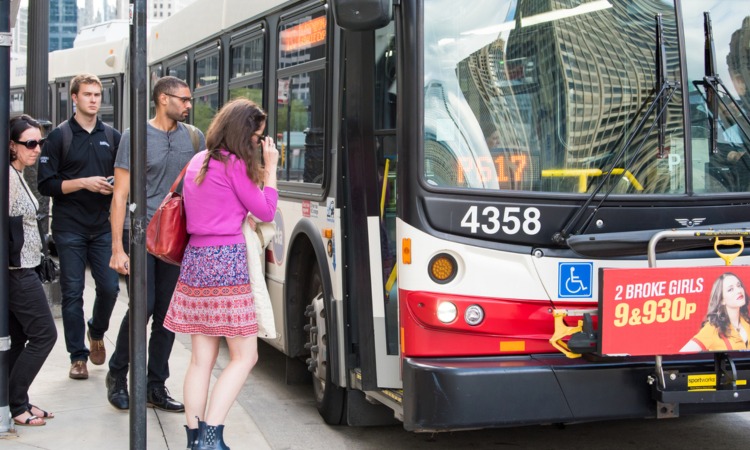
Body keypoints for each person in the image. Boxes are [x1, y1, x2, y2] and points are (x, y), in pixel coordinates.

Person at [163, 98, 278, 450]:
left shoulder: (199, 160)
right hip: (227, 261)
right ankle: (212, 437)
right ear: (244, 134)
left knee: (201, 359)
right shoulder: (235, 166)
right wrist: (270, 168)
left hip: (196, 261)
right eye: (257, 138)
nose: (260, 144)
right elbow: (267, 210)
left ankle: (194, 439)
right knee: (246, 356)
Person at [106, 76, 205, 413]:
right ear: (164, 99)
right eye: (184, 99)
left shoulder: (194, 137)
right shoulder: (135, 137)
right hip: (142, 237)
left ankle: (154, 385)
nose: (189, 105)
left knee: (167, 315)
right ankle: (118, 375)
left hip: (178, 240)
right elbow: (119, 195)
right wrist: (117, 249)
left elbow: (201, 189)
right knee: (143, 307)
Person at [38, 73, 121, 380]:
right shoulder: (59, 137)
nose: (93, 100)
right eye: (87, 94)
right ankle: (78, 356)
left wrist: (113, 187)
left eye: (97, 95)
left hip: (102, 225)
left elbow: (124, 180)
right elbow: (46, 184)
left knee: (110, 288)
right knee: (72, 293)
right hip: (69, 226)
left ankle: (96, 331)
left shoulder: (112, 136)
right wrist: (84, 183)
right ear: (74, 98)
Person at [8, 115, 58, 426]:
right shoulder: (8, 178)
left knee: (18, 338)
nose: (36, 148)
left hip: (23, 268)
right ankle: (15, 402)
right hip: (17, 271)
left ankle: (16, 400)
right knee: (44, 334)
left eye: (39, 142)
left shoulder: (18, 173)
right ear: (11, 145)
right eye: (29, 143)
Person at [680, 272, 750, 352]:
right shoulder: (713, 329)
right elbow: (680, 357)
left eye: (739, 285)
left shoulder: (747, 322)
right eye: (730, 289)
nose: (738, 291)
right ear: (722, 300)